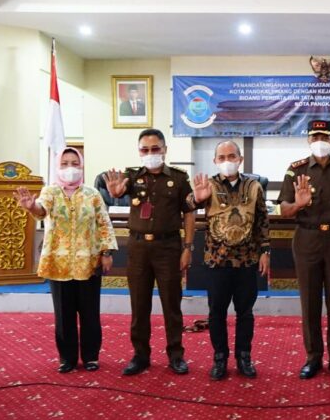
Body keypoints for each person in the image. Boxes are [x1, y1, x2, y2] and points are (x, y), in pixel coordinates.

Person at [14, 147, 117, 373]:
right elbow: (41, 210)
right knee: (63, 315)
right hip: (58, 264)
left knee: (90, 313)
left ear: (82, 166)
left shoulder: (92, 194)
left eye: (74, 163)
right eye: (65, 163)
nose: (70, 168)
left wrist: (107, 253)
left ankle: (91, 357)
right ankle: (67, 358)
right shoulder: (50, 192)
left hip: (88, 263)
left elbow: (104, 223)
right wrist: (31, 206)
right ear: (57, 166)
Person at [103, 128, 195, 376]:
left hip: (169, 248)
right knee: (139, 304)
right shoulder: (132, 176)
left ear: (164, 150)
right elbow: (119, 190)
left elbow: (189, 213)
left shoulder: (179, 178)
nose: (150, 153)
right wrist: (116, 192)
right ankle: (140, 355)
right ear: (139, 151)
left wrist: (188, 247)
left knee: (172, 305)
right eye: (145, 149)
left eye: (155, 149)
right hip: (138, 248)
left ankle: (176, 355)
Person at [277, 119, 330, 380]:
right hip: (307, 239)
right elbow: (284, 210)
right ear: (308, 140)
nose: (320, 142)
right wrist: (298, 204)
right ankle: (312, 358)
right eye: (315, 137)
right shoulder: (296, 170)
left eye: (324, 137)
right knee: (310, 302)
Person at [189, 140, 270, 380]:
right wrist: (197, 199)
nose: (227, 161)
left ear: (240, 159)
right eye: (222, 157)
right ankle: (220, 358)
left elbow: (262, 221)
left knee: (245, 313)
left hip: (247, 261)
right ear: (215, 161)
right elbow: (186, 205)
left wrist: (265, 251)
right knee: (217, 313)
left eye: (232, 156)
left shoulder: (254, 186)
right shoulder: (208, 185)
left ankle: (244, 357)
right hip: (217, 262)